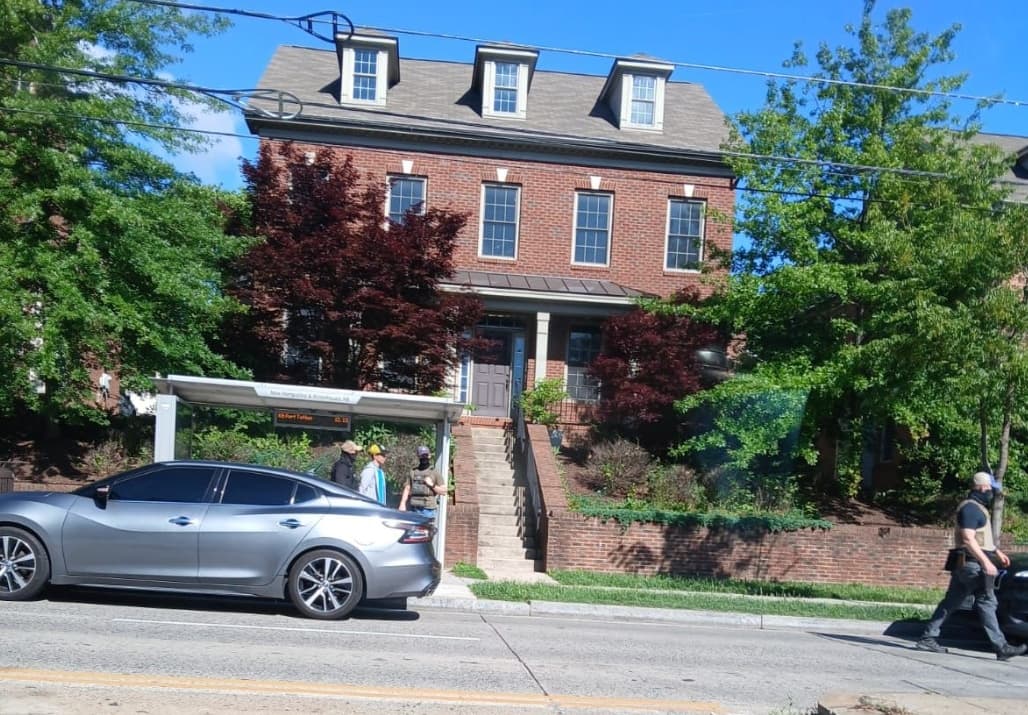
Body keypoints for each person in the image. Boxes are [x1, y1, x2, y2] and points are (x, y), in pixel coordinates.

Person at [916, 471, 1027, 660]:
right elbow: (968, 539)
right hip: (973, 564)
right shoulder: (971, 509)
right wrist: (986, 562)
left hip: (965, 563)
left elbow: (979, 538)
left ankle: (928, 637)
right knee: (987, 601)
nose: (992, 493)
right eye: (991, 489)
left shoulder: (976, 507)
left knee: (951, 601)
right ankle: (1001, 646)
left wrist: (996, 552)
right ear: (983, 487)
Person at [398, 445, 447, 520]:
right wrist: (402, 503)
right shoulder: (413, 472)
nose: (424, 457)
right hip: (414, 508)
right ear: (418, 456)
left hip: (428, 510)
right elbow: (407, 488)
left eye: (425, 455)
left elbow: (443, 491)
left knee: (425, 531)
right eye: (421, 455)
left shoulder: (434, 472)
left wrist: (431, 485)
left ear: (429, 455)